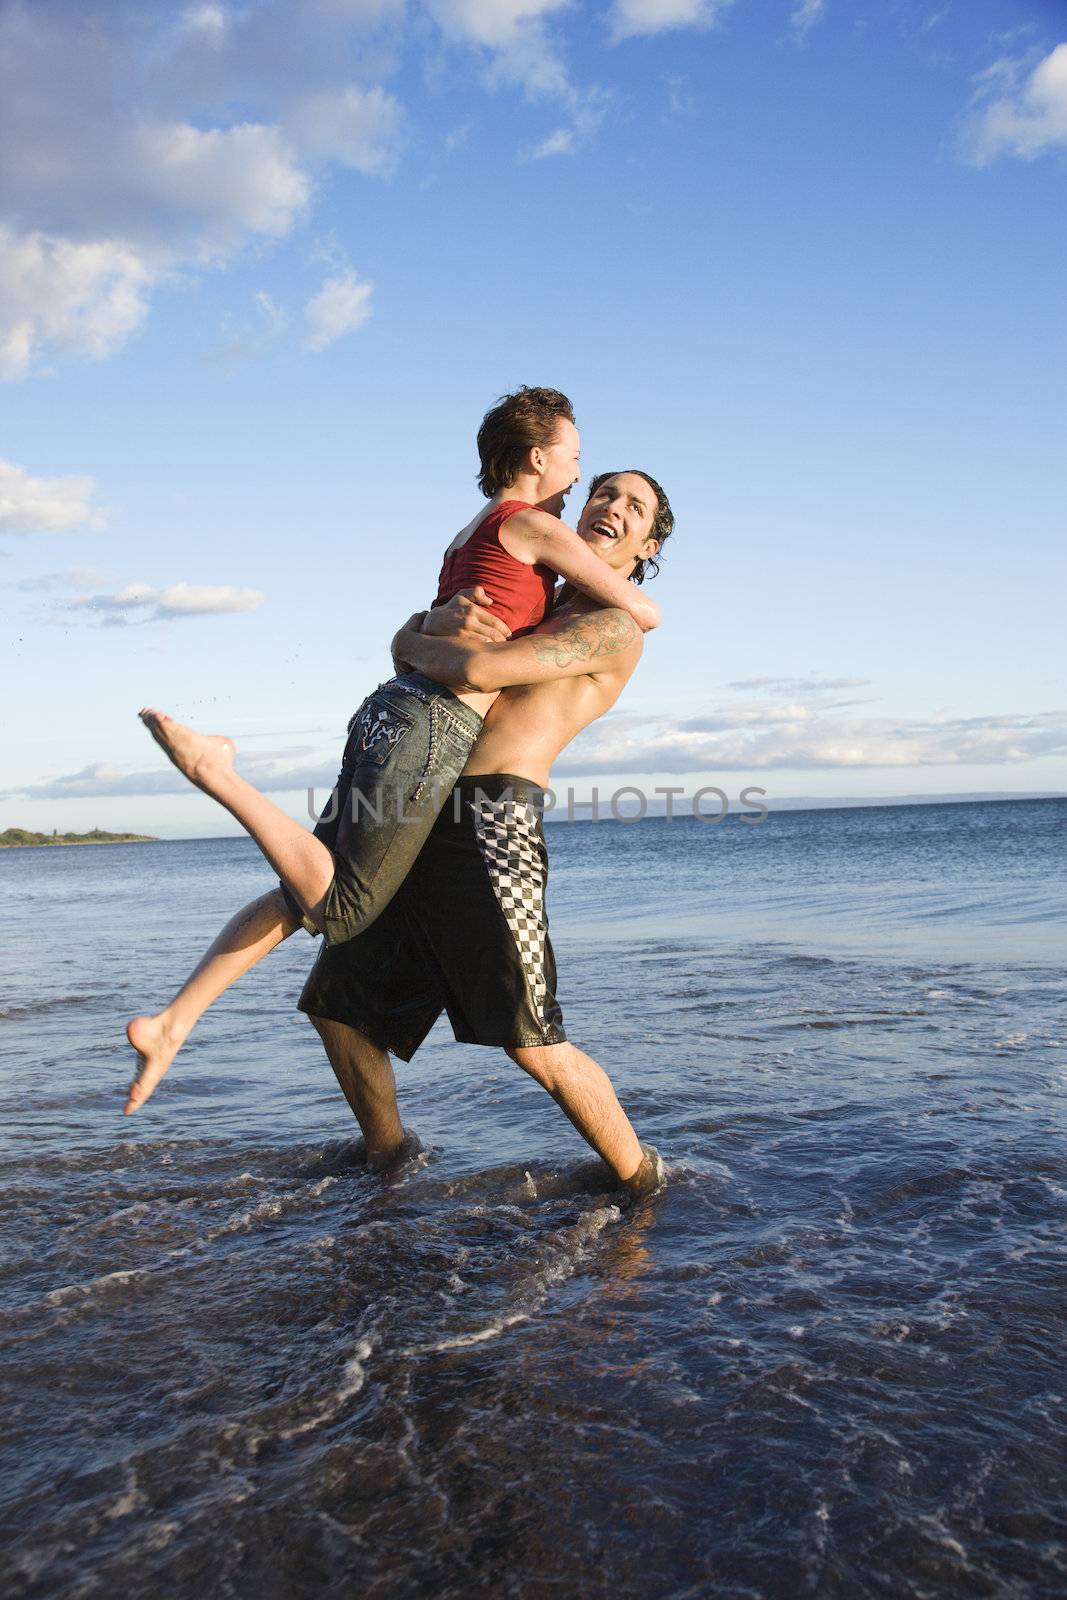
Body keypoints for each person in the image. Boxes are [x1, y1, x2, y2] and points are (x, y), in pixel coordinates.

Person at [126, 470, 673, 1201]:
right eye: (603, 495)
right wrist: (424, 627)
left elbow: (474, 666)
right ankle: (386, 1156)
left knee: (530, 1040)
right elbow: (423, 656)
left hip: (490, 820)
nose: (611, 508)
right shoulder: (539, 599)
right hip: (425, 799)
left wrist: (421, 635)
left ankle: (639, 1185)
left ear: (647, 544)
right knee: (338, 1006)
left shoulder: (609, 625)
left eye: (633, 508)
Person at [138, 388, 658, 954]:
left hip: (391, 706)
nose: (579, 477)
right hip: (437, 725)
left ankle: (171, 1025)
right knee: (343, 908)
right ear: (538, 457)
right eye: (577, 461)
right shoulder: (537, 530)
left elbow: (421, 640)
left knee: (307, 883)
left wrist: (414, 630)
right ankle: (218, 775)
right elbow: (635, 614)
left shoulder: (470, 536)